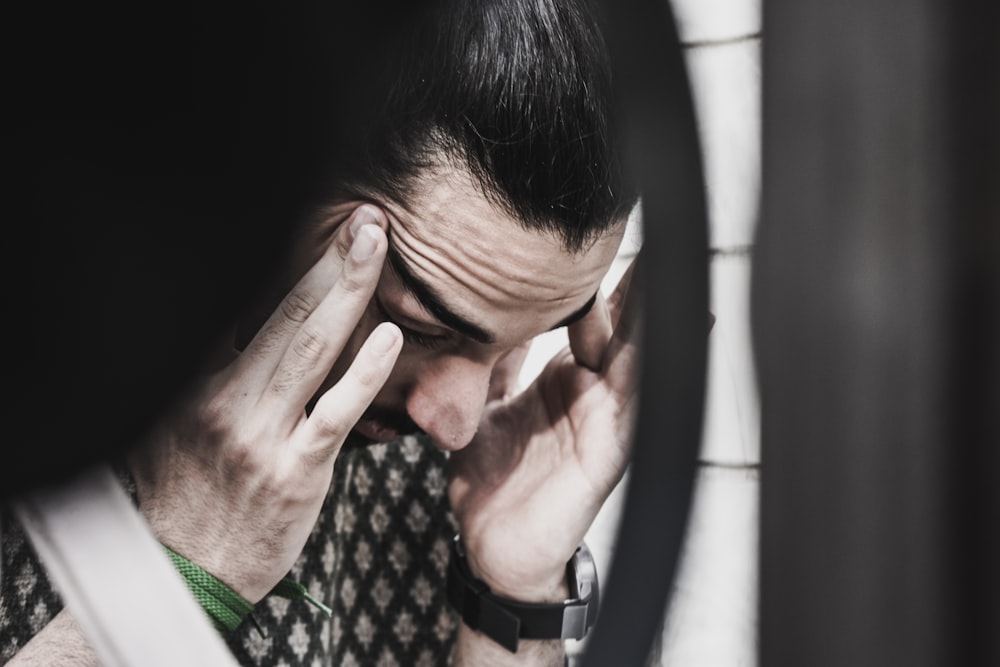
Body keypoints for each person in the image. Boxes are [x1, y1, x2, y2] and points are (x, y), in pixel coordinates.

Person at [1, 0, 641, 664]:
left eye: (521, 338)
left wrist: (514, 599)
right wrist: (187, 571)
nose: (459, 422)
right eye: (417, 323)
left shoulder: (449, 473)